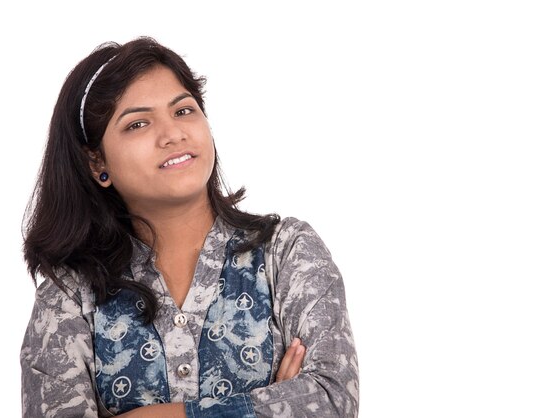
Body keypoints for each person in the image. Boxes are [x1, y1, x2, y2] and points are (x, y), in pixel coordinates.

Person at [20, 36, 359, 417]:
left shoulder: (287, 252)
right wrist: (271, 405)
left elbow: (332, 399)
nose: (173, 134)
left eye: (183, 111)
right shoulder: (70, 295)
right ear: (97, 161)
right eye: (138, 123)